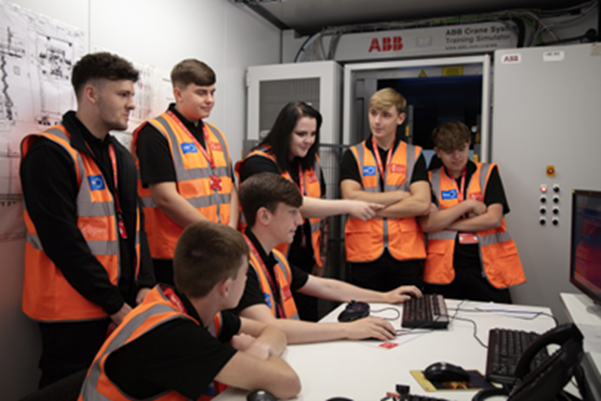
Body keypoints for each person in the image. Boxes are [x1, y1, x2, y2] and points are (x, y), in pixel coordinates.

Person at [19, 52, 155, 388]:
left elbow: (136, 229)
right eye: (122, 95)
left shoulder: (120, 156)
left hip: (120, 306)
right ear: (91, 94)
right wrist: (115, 306)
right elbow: (62, 243)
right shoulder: (50, 153)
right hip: (71, 315)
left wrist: (145, 287)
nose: (131, 106)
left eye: (131, 96)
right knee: (66, 389)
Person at [79, 221, 300, 400]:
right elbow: (288, 383)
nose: (247, 280)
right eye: (244, 275)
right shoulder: (176, 335)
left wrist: (259, 349)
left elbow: (272, 331)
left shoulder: (186, 307)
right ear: (226, 287)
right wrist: (256, 353)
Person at [233, 172, 421, 344]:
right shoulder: (239, 265)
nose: (299, 221)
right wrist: (348, 329)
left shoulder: (274, 258)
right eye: (292, 212)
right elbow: (268, 327)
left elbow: (327, 286)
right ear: (264, 216)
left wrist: (385, 297)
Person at [237, 101, 383, 321]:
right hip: (268, 254)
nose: (308, 141)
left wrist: (321, 256)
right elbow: (291, 203)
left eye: (313, 134)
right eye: (301, 134)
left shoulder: (310, 161)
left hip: (303, 258)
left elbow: (320, 211)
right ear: (285, 132)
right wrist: (348, 205)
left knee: (305, 316)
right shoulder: (259, 163)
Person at [133, 59, 238, 285]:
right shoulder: (155, 134)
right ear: (178, 95)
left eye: (212, 92)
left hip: (214, 248)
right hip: (176, 254)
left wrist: (229, 233)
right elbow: (165, 198)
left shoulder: (216, 135)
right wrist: (218, 236)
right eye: (201, 93)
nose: (210, 100)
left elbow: (230, 188)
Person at [419, 121, 526, 303]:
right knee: (440, 325)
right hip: (443, 270)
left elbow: (493, 219)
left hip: (486, 268)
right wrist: (468, 205)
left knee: (499, 323)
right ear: (437, 152)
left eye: (461, 149)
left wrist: (446, 222)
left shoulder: (487, 173)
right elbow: (427, 224)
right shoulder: (429, 179)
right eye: (448, 152)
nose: (457, 157)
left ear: (469, 145)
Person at [340, 88, 431, 292]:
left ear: (400, 118)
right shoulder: (353, 154)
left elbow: (422, 203)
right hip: (364, 252)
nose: (377, 121)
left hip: (405, 253)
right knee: (365, 315)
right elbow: (350, 197)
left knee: (408, 314)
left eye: (385, 115)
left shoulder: (414, 155)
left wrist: (372, 210)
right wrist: (399, 196)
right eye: (373, 113)